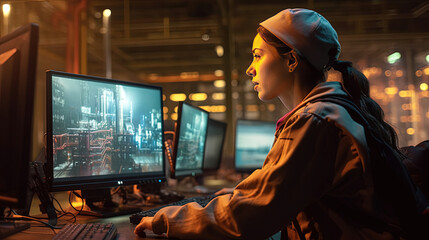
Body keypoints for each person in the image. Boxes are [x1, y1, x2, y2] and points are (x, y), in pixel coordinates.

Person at [135, 8, 411, 239]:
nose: (249, 68)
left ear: (291, 60)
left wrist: (167, 219)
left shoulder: (314, 122)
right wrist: (238, 192)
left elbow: (251, 216)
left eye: (257, 55)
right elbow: (275, 187)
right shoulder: (328, 112)